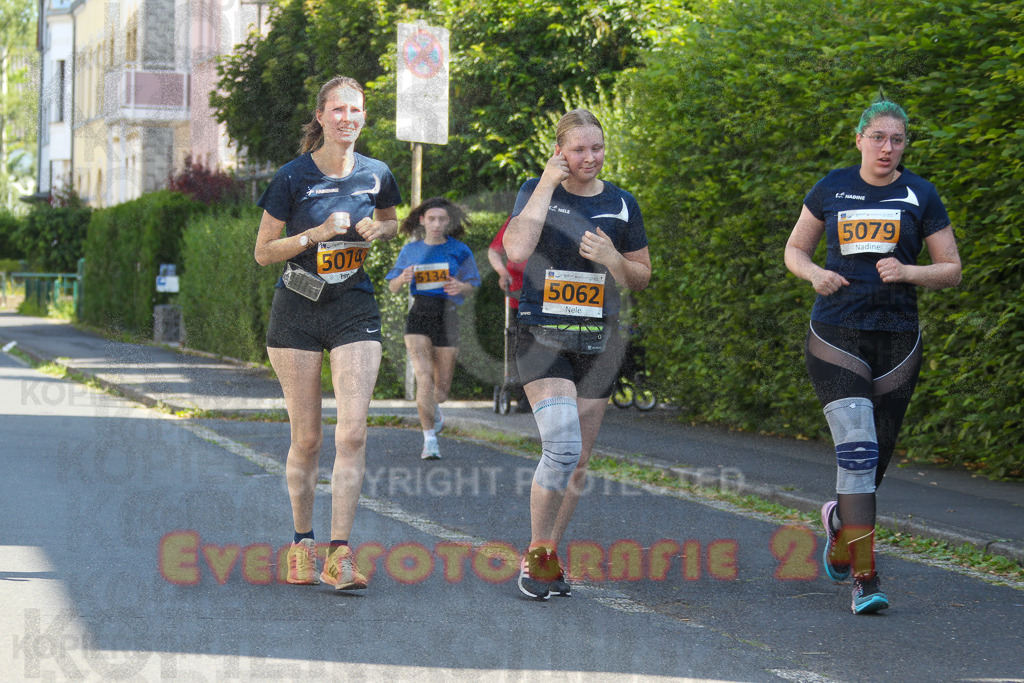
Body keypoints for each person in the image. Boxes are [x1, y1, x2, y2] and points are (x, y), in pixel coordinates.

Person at [784, 98, 961, 614]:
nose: (887, 147)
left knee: (874, 459)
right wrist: (814, 272)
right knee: (858, 451)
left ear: (905, 144)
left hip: (898, 339)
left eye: (897, 139)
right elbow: (795, 249)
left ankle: (841, 523)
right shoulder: (832, 187)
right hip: (836, 332)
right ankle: (865, 577)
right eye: (878, 137)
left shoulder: (920, 194)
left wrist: (908, 272)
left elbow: (950, 267)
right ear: (859, 138)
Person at [253, 76, 401, 591]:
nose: (346, 118)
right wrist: (313, 235)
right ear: (320, 117)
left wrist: (380, 230)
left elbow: (392, 222)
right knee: (308, 438)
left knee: (354, 431)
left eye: (355, 110)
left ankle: (340, 554)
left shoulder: (377, 174)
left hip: (352, 308)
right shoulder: (292, 178)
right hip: (296, 309)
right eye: (337, 110)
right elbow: (263, 251)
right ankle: (301, 543)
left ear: (364, 116)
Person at [503, 109, 651, 600]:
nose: (590, 158)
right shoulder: (535, 189)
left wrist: (612, 258)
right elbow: (517, 250)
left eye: (597, 148)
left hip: (597, 342)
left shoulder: (622, 204)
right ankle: (536, 555)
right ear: (560, 151)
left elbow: (641, 277)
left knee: (579, 459)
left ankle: (546, 554)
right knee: (562, 447)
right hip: (541, 336)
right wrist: (547, 183)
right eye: (579, 149)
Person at [386, 197, 480, 460]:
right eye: (432, 219)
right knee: (423, 377)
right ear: (422, 221)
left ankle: (434, 410)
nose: (437, 224)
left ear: (448, 221)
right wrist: (402, 278)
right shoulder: (411, 250)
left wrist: (460, 287)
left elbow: (472, 284)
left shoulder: (460, 250)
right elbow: (392, 285)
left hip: (447, 318)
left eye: (442, 219)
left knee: (441, 390)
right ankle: (429, 441)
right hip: (419, 316)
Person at [487, 216, 531, 412]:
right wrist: (502, 272)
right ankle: (523, 396)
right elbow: (494, 252)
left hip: (551, 298)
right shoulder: (516, 220)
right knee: (518, 345)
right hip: (517, 297)